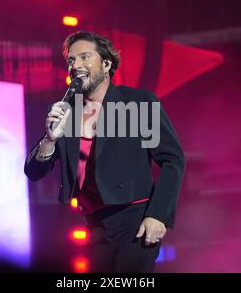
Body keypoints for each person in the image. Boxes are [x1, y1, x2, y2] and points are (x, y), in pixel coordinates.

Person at [24, 31, 185, 272]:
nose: (76, 65)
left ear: (106, 63)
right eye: (71, 60)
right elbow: (33, 171)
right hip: (94, 223)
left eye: (84, 57)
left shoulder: (137, 103)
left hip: (135, 218)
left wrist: (158, 214)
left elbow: (173, 160)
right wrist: (49, 140)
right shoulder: (66, 111)